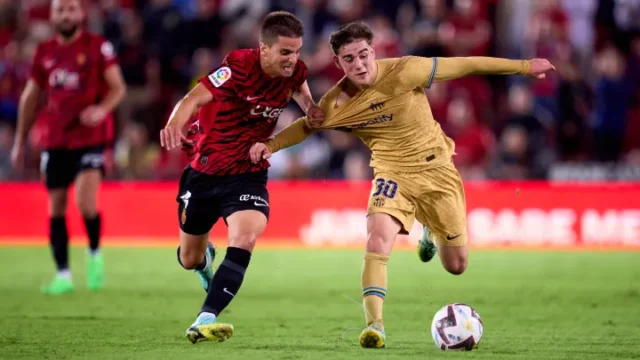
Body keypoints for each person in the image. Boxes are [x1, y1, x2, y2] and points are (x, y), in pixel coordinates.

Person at [249, 21, 555, 349]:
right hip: (391, 175)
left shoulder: (407, 71)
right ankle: (374, 325)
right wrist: (271, 145)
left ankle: (430, 229)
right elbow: (304, 128)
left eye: (363, 54)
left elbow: (467, 64)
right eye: (349, 59)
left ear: (374, 51)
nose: (359, 64)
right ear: (338, 63)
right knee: (377, 242)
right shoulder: (336, 104)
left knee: (456, 266)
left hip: (438, 173)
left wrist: (524, 67)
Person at [159, 11, 324, 344]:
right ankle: (205, 260)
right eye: (285, 52)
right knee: (189, 257)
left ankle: (205, 318)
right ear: (263, 49)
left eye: (297, 51)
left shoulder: (294, 72)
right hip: (204, 172)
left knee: (245, 238)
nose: (293, 60)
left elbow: (302, 92)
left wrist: (311, 107)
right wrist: (176, 124)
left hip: (248, 173)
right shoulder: (236, 68)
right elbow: (193, 98)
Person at [11, 0, 127, 295]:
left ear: (81, 13)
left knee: (86, 202)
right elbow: (30, 97)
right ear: (52, 15)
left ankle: (94, 253)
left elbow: (118, 88)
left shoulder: (98, 47)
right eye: (60, 10)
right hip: (56, 139)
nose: (66, 15)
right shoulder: (44, 52)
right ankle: (63, 274)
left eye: (71, 9)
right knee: (56, 208)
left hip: (91, 137)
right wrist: (19, 141)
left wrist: (102, 110)